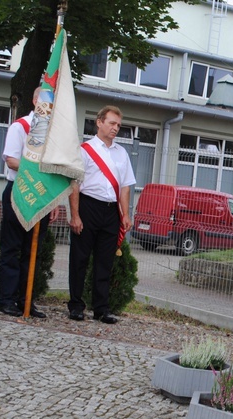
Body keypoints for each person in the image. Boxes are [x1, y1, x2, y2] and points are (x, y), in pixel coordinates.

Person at [68, 105, 135, 324]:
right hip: (88, 207)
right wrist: (75, 215)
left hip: (111, 211)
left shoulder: (122, 153)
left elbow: (125, 187)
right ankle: (76, 305)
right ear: (99, 122)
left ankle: (101, 308)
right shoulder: (85, 149)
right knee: (79, 259)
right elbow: (75, 185)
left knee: (104, 262)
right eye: (112, 123)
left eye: (118, 125)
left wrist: (125, 214)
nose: (115, 128)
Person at [0, 86, 58, 318]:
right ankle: (7, 300)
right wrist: (35, 173)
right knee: (12, 249)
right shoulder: (20, 127)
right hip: (19, 191)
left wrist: (54, 202)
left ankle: (26, 301)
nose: (48, 106)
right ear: (35, 101)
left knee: (33, 251)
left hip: (42, 196)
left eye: (51, 102)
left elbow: (54, 171)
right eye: (44, 101)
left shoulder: (52, 135)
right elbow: (12, 161)